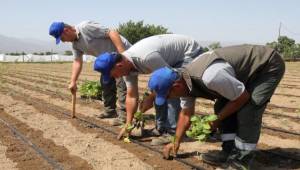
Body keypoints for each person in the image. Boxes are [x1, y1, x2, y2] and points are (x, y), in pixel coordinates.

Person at [146, 45, 285, 169]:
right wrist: (175, 141)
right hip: (242, 74)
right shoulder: (184, 84)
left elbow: (242, 98)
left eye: (168, 96)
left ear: (176, 86)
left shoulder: (210, 77)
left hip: (266, 66)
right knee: (221, 106)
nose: (169, 99)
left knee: (248, 110)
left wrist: (215, 120)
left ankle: (241, 161)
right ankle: (228, 151)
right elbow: (185, 114)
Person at [93, 34, 203, 145]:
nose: (116, 78)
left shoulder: (147, 57)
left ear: (119, 66)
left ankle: (172, 132)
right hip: (168, 58)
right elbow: (131, 96)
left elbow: (168, 80)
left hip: (188, 52)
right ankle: (160, 128)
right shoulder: (125, 67)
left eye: (114, 74)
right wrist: (128, 124)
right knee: (159, 91)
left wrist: (150, 98)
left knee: (170, 89)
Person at [49, 21, 132, 125]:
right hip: (107, 61)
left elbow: (112, 32)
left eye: (62, 38)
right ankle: (110, 111)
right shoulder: (75, 45)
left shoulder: (86, 27)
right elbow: (77, 61)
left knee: (122, 85)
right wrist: (73, 81)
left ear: (66, 30)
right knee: (105, 83)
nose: (64, 41)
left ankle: (124, 116)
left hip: (121, 55)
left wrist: (122, 54)